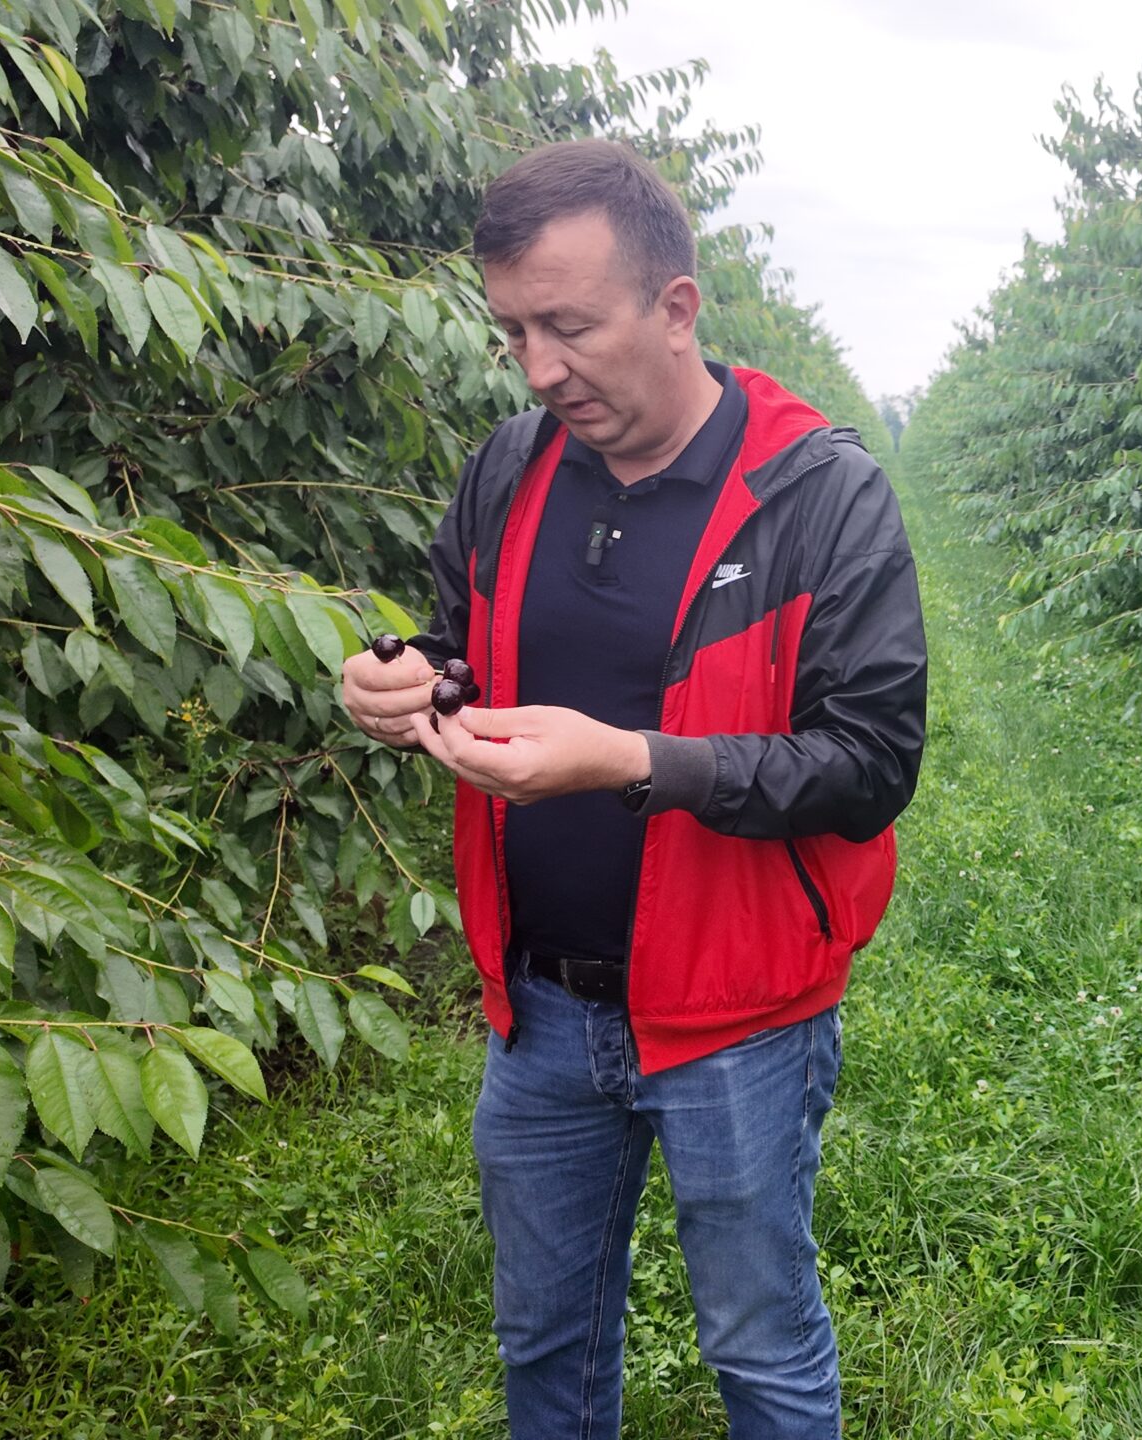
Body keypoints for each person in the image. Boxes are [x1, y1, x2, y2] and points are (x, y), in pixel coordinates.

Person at [336, 138, 926, 1439]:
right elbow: (459, 648)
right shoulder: (510, 470)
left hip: (742, 1018)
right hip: (539, 1013)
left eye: (569, 327)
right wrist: (411, 686)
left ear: (676, 309)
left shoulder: (818, 498)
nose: (541, 369)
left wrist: (634, 762)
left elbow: (874, 762)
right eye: (513, 333)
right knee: (545, 1339)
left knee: (760, 1347)